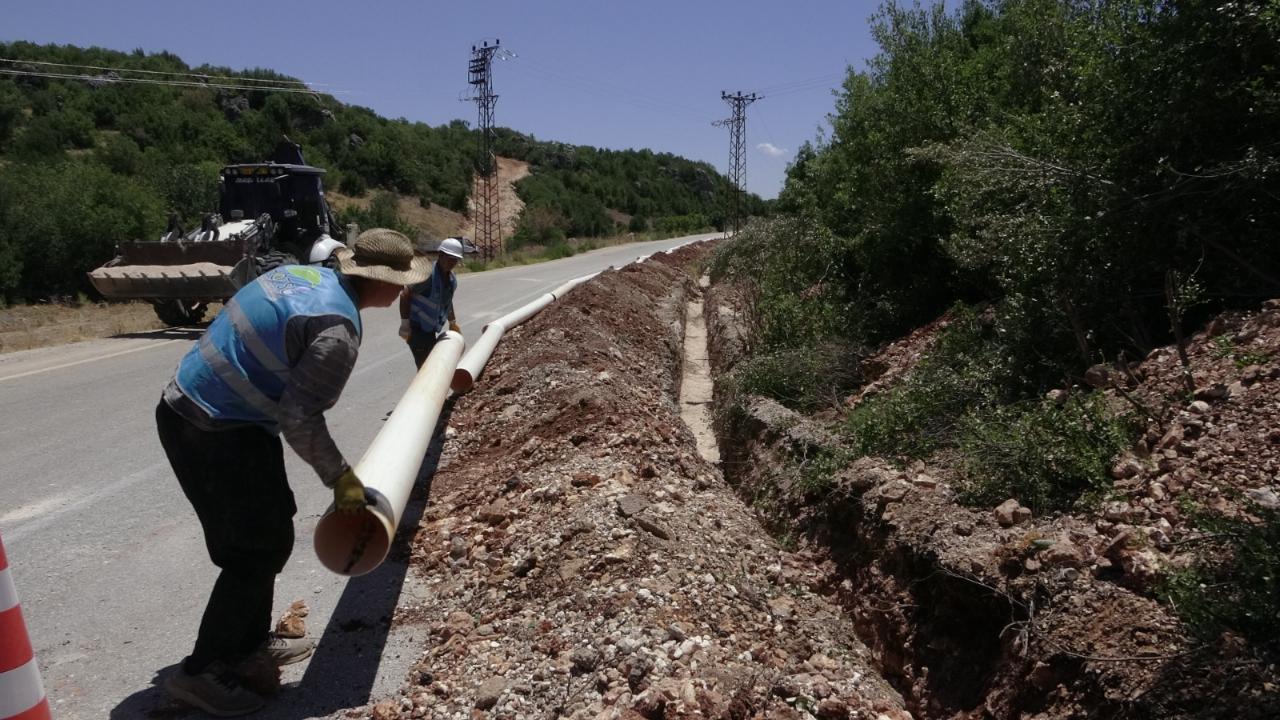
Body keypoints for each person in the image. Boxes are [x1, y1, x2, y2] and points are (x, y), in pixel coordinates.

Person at [155, 228, 430, 717]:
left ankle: (247, 647)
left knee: (273, 529)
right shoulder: (336, 331)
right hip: (211, 426)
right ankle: (203, 671)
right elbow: (299, 419)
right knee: (253, 550)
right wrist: (342, 480)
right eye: (400, 282)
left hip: (212, 411)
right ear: (380, 281)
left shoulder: (302, 276)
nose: (402, 291)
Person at [399, 236, 463, 367]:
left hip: (429, 330)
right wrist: (405, 324)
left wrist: (452, 322)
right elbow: (405, 294)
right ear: (441, 255)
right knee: (426, 367)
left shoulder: (451, 279)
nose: (452, 262)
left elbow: (447, 302)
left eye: (455, 259)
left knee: (429, 365)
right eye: (449, 258)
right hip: (417, 330)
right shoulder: (427, 275)